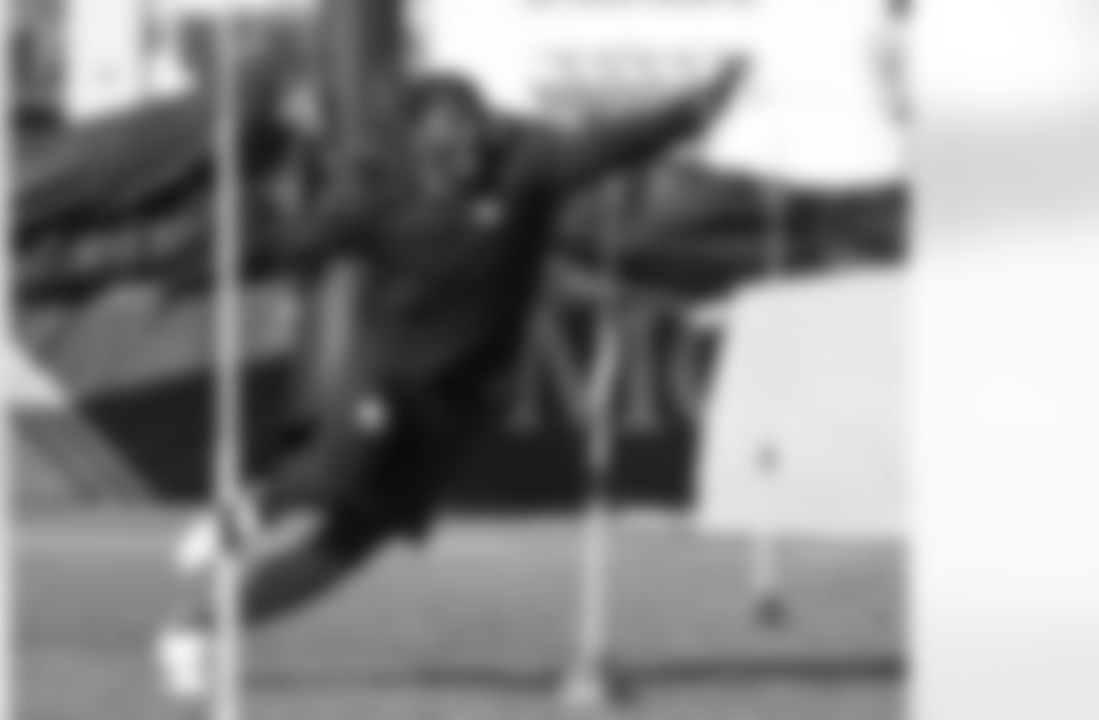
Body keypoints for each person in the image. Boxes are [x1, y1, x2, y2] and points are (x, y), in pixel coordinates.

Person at [155, 59, 749, 701]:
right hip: (385, 373)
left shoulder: (528, 168)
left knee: (348, 547)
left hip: (460, 401)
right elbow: (292, 246)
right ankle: (245, 514)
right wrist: (202, 260)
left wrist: (693, 109)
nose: (469, 159)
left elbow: (609, 145)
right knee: (336, 470)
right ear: (417, 146)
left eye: (476, 139)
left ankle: (194, 629)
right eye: (450, 147)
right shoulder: (374, 193)